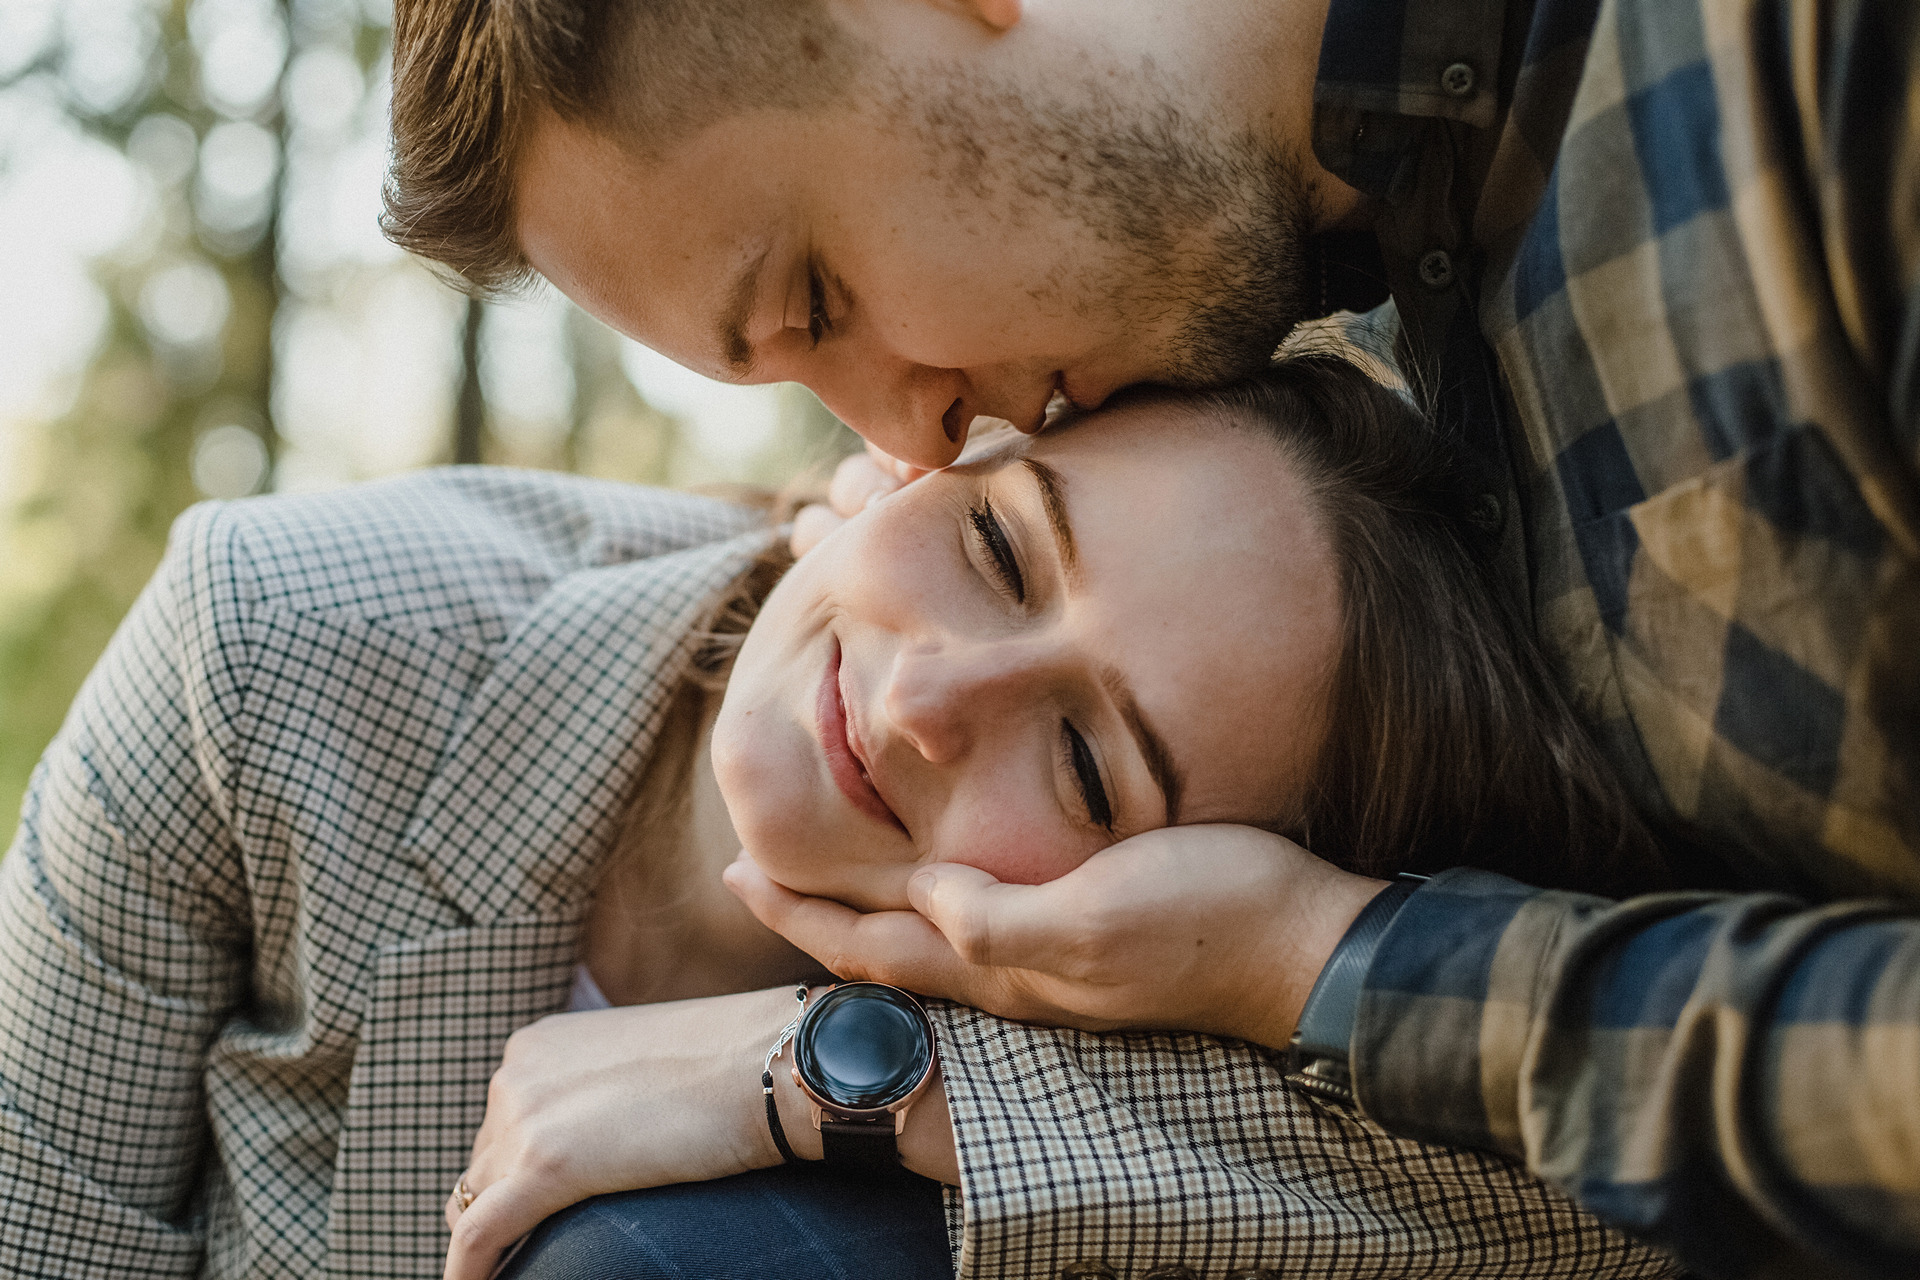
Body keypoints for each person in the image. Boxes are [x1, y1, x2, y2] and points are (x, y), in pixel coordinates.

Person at [380, 0, 1920, 1275]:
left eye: (820, 294)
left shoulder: (1796, 86)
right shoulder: (1289, 317)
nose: (906, 437)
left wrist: (1326, 962)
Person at [0, 357, 1675, 1278]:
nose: (934, 698)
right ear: (919, 457)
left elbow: (1654, 1229)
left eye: (1092, 770)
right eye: (1003, 551)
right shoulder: (280, 651)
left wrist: (860, 1083)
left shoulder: (1187, 1005)